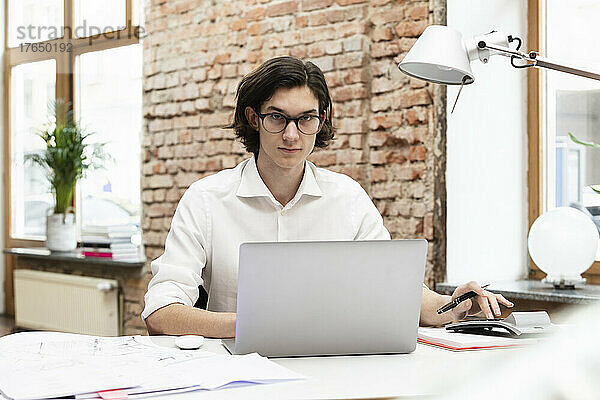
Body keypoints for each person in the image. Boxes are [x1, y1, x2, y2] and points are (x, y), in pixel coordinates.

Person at [142, 56, 513, 337]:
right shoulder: (206, 200)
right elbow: (161, 312)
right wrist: (253, 325)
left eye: (306, 119)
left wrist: (457, 304)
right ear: (254, 118)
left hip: (331, 370)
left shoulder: (347, 199)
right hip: (238, 373)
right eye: (277, 117)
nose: (292, 135)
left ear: (320, 121)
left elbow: (402, 295)